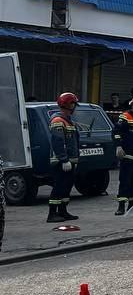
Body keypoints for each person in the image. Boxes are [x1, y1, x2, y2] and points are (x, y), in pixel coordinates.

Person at [47, 92, 81, 223]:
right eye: (73, 104)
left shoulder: (68, 121)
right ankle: (52, 214)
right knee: (59, 187)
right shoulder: (58, 121)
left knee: (66, 187)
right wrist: (64, 159)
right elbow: (57, 142)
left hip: (69, 161)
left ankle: (62, 211)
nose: (75, 107)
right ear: (68, 105)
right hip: (61, 162)